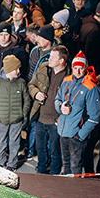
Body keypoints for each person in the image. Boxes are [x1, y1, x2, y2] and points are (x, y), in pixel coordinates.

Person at [55, 52, 100, 175]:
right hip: (63, 131)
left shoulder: (91, 88)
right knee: (65, 163)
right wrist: (60, 107)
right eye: (75, 68)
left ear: (85, 68)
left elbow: (95, 117)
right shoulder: (66, 80)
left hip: (76, 135)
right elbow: (57, 99)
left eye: (81, 68)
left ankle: (74, 190)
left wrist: (80, 135)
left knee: (76, 166)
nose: (78, 71)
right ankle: (67, 189)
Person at [28, 46, 70, 174]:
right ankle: (41, 171)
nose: (49, 59)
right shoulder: (44, 68)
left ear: (61, 61)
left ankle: (54, 174)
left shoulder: (69, 76)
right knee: (40, 149)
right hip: (40, 118)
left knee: (55, 150)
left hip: (56, 122)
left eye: (52, 57)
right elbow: (31, 84)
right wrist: (36, 94)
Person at [0, 54, 31, 170]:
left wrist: (23, 114)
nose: (18, 71)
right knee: (1, 141)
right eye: (16, 69)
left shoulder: (21, 82)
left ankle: (12, 164)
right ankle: (1, 161)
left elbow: (27, 99)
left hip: (17, 119)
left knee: (14, 142)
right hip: (2, 119)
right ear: (9, 69)